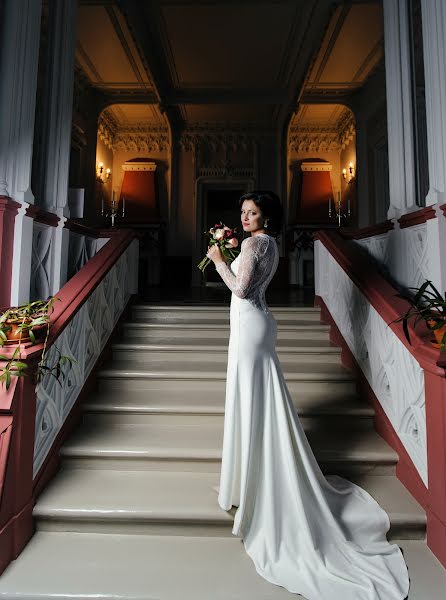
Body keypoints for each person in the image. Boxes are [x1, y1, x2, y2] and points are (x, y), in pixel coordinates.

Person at [205, 191, 409, 600]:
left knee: (252, 398)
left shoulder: (252, 243)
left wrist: (218, 261)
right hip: (258, 325)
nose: (245, 218)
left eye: (253, 213)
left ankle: (254, 482)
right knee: (256, 398)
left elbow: (241, 290)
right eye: (243, 212)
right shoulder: (271, 244)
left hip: (250, 324)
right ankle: (248, 476)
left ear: (266, 217)